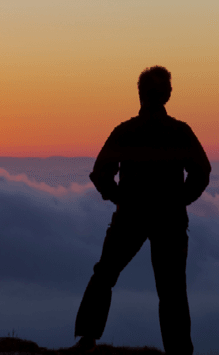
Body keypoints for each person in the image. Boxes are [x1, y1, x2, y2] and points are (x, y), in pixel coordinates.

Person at [73, 66, 211, 354]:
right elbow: (201, 172)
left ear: (140, 94)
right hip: (169, 219)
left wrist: (121, 198)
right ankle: (179, 351)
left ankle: (87, 339)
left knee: (105, 275)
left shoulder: (126, 132)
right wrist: (179, 200)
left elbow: (101, 174)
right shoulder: (179, 132)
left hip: (130, 216)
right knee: (172, 290)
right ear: (168, 95)